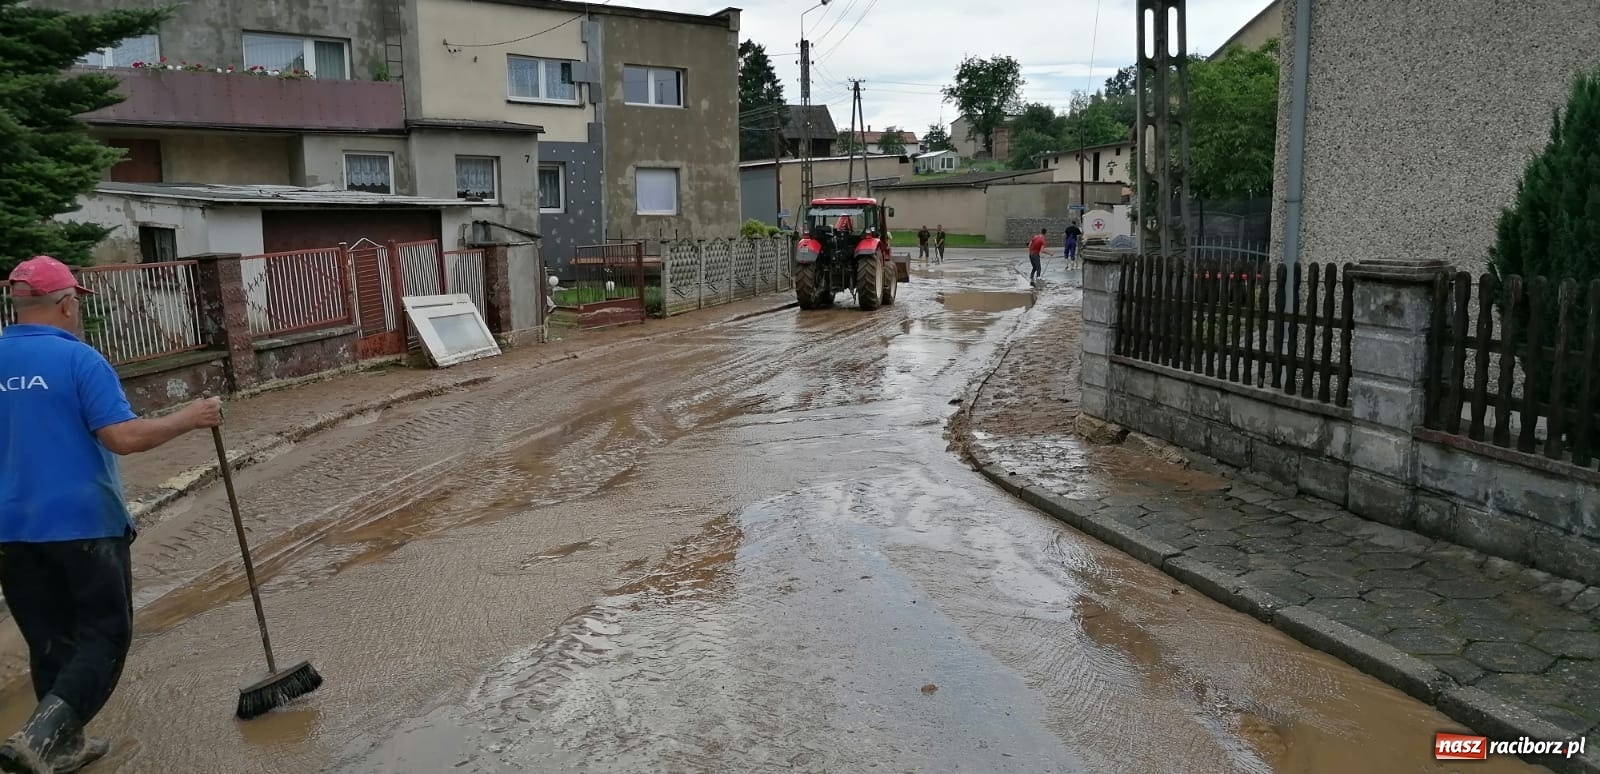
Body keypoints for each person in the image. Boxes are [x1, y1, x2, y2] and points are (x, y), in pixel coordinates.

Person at [0, 256, 223, 773]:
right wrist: (190, 418)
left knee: (50, 638)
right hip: (83, 524)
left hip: (11, 531)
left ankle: (66, 746)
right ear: (67, 304)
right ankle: (38, 737)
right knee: (104, 635)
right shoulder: (79, 360)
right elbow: (121, 437)